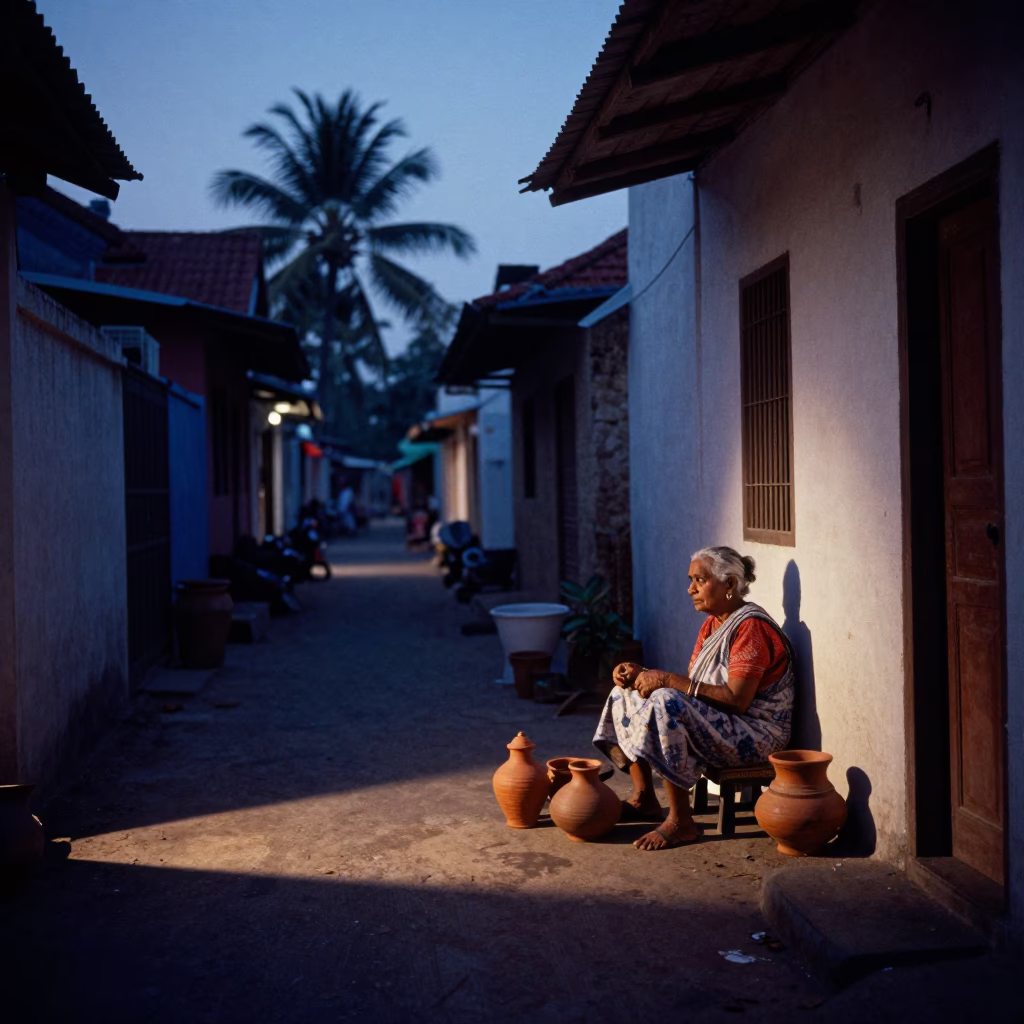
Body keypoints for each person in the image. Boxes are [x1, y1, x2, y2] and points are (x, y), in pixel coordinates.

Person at [594, 546, 794, 851]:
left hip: (756, 732)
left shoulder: (750, 628)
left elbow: (737, 701)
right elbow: (696, 688)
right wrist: (641, 676)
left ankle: (681, 821)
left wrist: (664, 680)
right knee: (625, 693)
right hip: (724, 721)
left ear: (729, 584)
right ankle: (645, 797)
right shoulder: (714, 623)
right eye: (691, 580)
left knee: (665, 703)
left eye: (700, 579)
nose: (691, 589)